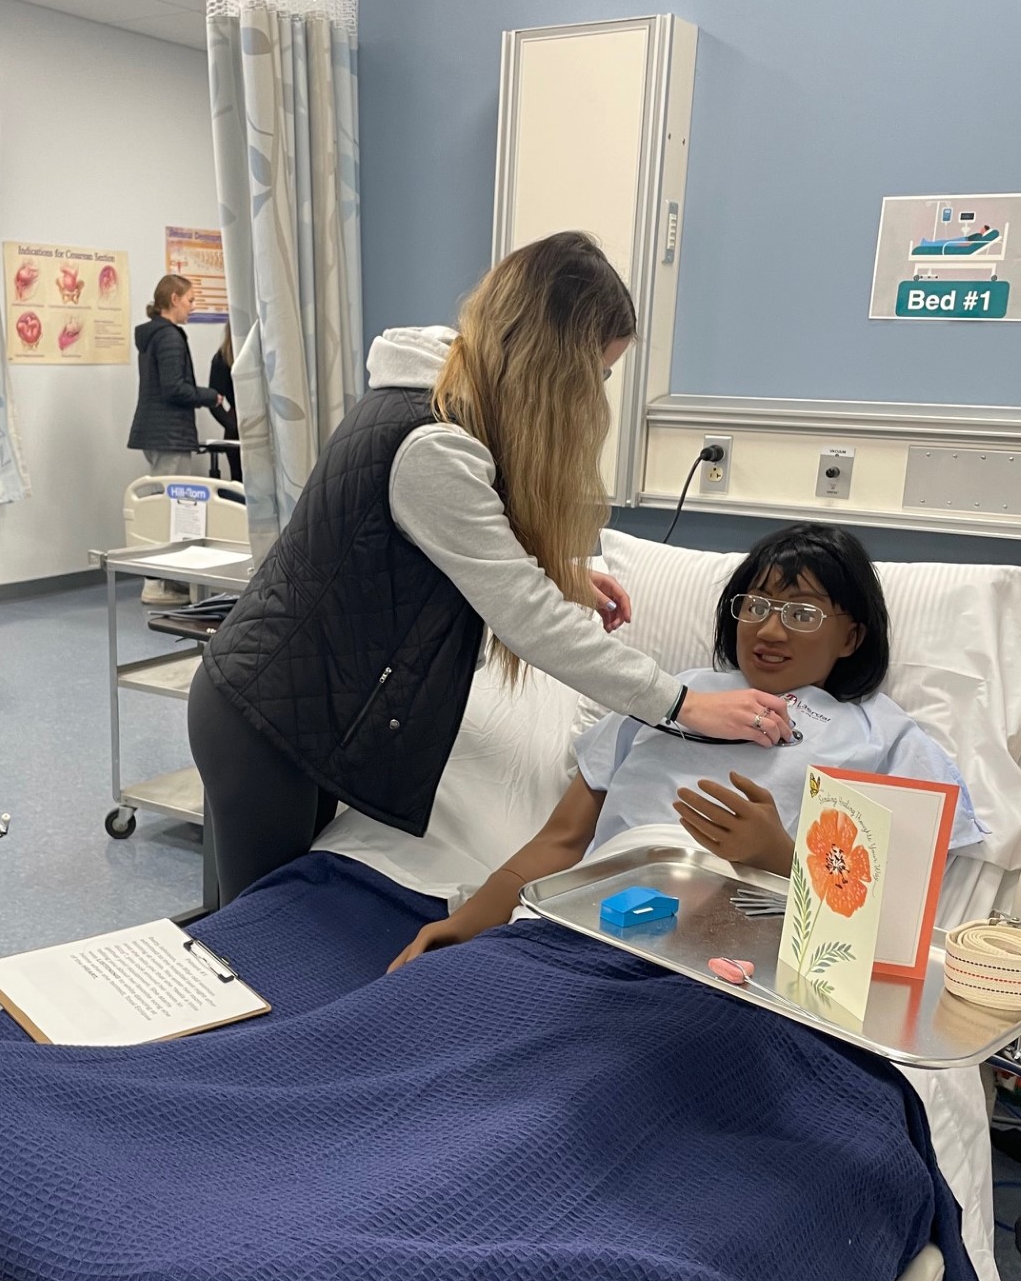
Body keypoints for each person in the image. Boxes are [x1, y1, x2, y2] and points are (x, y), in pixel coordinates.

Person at [189, 232, 791, 904]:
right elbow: (529, 621)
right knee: (250, 936)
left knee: (256, 921)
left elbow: (446, 551)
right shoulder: (433, 445)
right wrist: (685, 704)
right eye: (599, 373)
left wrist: (561, 575)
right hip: (269, 718)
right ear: (554, 363)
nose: (596, 394)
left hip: (291, 705)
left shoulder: (434, 404)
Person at [389, 523, 982, 967]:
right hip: (580, 931)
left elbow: (897, 924)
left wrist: (777, 856)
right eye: (757, 606)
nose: (770, 630)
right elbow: (563, 840)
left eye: (802, 613)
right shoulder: (668, 697)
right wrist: (466, 924)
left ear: (852, 635)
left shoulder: (882, 735)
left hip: (734, 959)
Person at [129, 272, 228, 604]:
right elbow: (174, 388)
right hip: (169, 433)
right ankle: (158, 584)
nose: (192, 307)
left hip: (156, 432)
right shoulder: (169, 336)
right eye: (189, 300)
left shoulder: (152, 336)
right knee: (171, 510)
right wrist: (209, 395)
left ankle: (167, 582)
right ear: (173, 299)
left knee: (165, 505)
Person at [207, 323, 241, 481]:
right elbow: (213, 399)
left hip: (262, 423)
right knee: (239, 481)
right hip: (238, 426)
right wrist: (232, 425)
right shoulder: (223, 357)